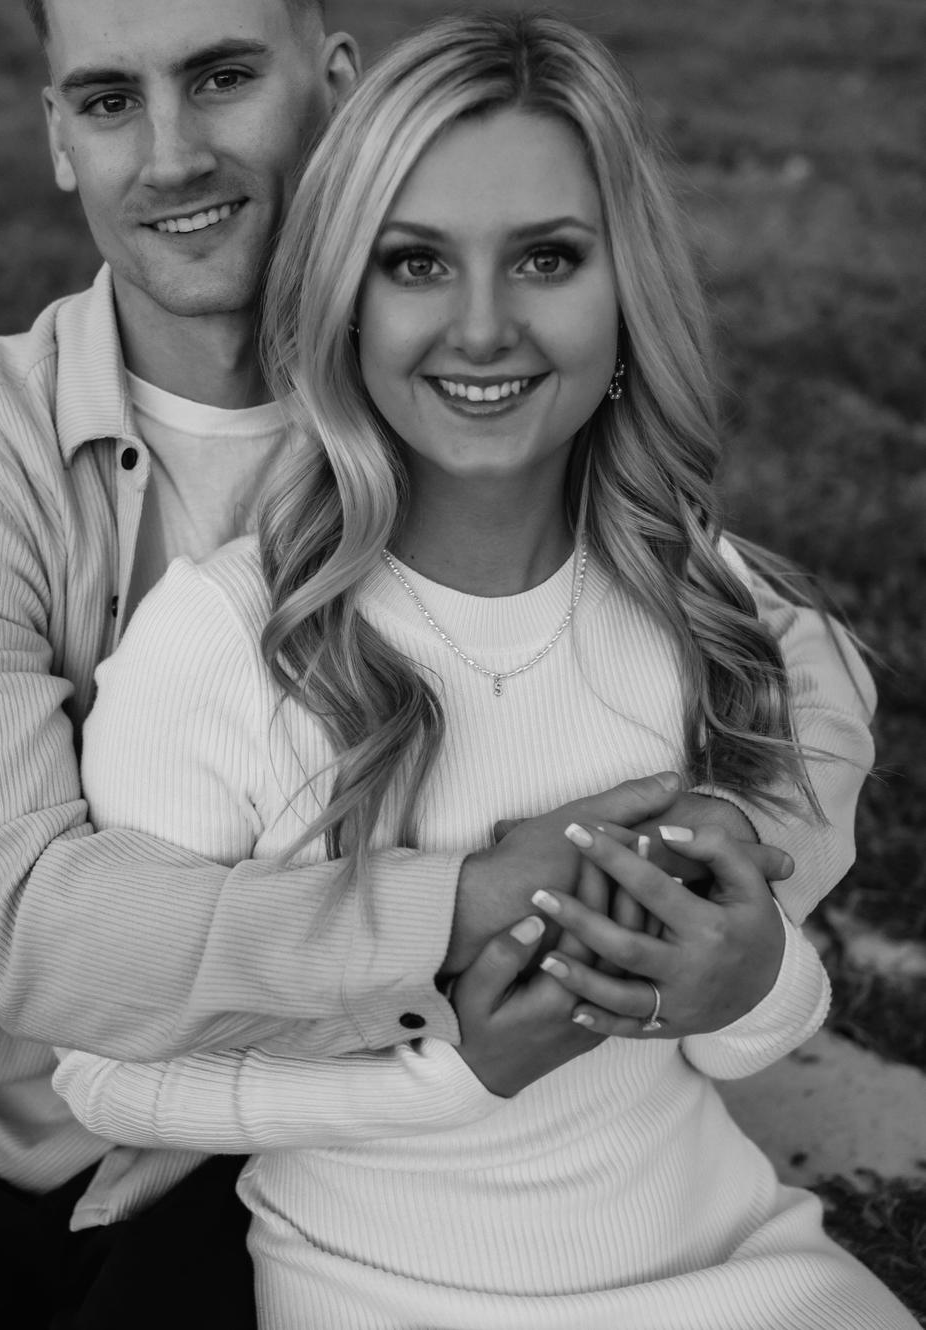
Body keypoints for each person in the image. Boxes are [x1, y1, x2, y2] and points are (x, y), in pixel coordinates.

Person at [0, 2, 879, 1327]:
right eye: (109, 101)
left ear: (335, 85)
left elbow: (790, 663)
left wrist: (690, 876)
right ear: (59, 135)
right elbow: (28, 930)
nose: (171, 155)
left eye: (223, 76)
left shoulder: (443, 394)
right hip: (0, 1108)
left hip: (321, 1148)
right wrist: (465, 902)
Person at [54, 14, 912, 1328]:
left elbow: (752, 1025)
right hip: (382, 1291)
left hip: (733, 1262)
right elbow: (106, 1074)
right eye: (414, 263)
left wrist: (756, 983)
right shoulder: (219, 646)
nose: (482, 327)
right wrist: (449, 1075)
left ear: (625, 292)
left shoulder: (705, 596)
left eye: (546, 259)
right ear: (341, 299)